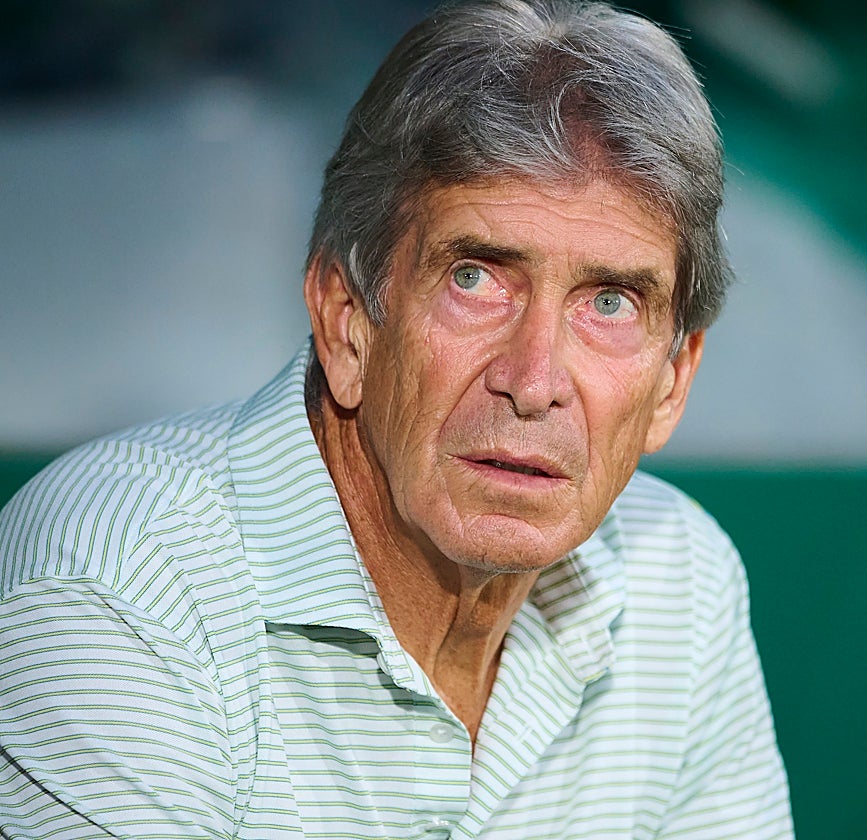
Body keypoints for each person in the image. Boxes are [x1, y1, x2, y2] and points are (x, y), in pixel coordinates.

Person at [0, 0, 792, 836]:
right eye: (475, 279)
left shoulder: (682, 585)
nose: (534, 383)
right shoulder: (117, 591)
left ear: (672, 382)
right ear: (348, 323)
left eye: (609, 302)